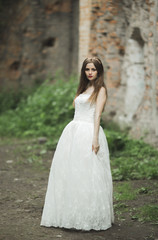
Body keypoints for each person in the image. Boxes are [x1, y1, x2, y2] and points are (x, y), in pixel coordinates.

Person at [40, 57, 114, 231]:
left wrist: (95, 138)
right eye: (87, 69)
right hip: (73, 132)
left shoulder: (100, 89)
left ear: (99, 71)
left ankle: (88, 215)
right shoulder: (84, 88)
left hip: (88, 132)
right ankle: (70, 214)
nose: (90, 72)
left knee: (87, 172)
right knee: (71, 171)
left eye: (93, 70)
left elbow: (97, 115)